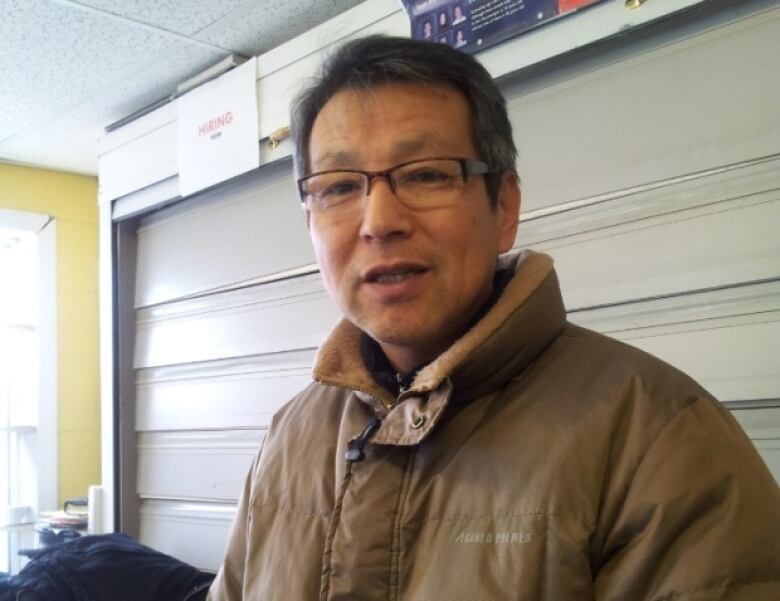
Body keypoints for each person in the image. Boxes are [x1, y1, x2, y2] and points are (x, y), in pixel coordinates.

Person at [207, 35, 780, 600]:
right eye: (337, 187)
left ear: (504, 207)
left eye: (426, 174)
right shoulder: (288, 439)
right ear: (309, 223)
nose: (378, 220)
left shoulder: (661, 437)